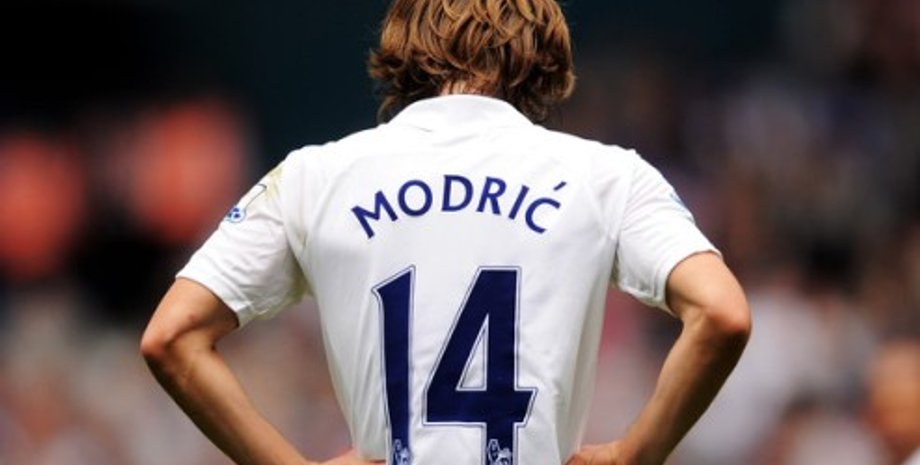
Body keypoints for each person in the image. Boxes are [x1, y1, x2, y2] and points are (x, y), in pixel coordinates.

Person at [140, 1, 752, 464]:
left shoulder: (314, 176)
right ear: (543, 57)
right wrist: (633, 454)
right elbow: (722, 313)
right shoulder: (608, 176)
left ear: (402, 51)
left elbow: (172, 335)